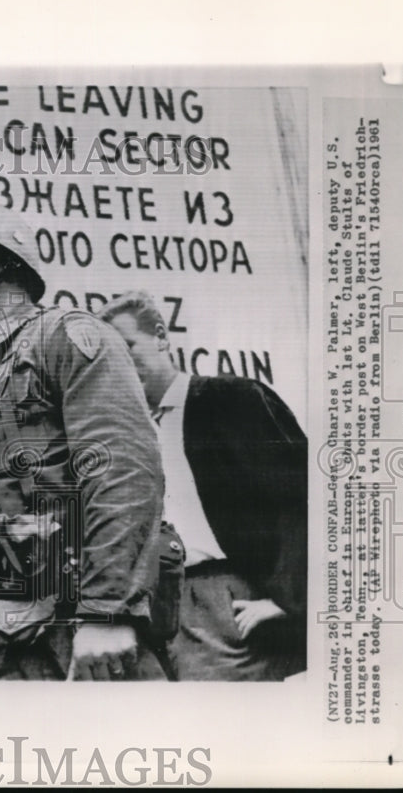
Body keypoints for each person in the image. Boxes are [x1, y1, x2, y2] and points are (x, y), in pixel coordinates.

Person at [0, 200, 169, 681]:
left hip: (67, 634)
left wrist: (107, 612)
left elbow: (124, 471)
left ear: (9, 263)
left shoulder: (66, 336)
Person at [97, 290, 307, 680]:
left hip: (220, 602)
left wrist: (292, 601)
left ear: (161, 336)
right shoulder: (126, 438)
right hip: (150, 612)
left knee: (227, 731)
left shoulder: (232, 400)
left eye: (127, 347)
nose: (119, 366)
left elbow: (304, 497)